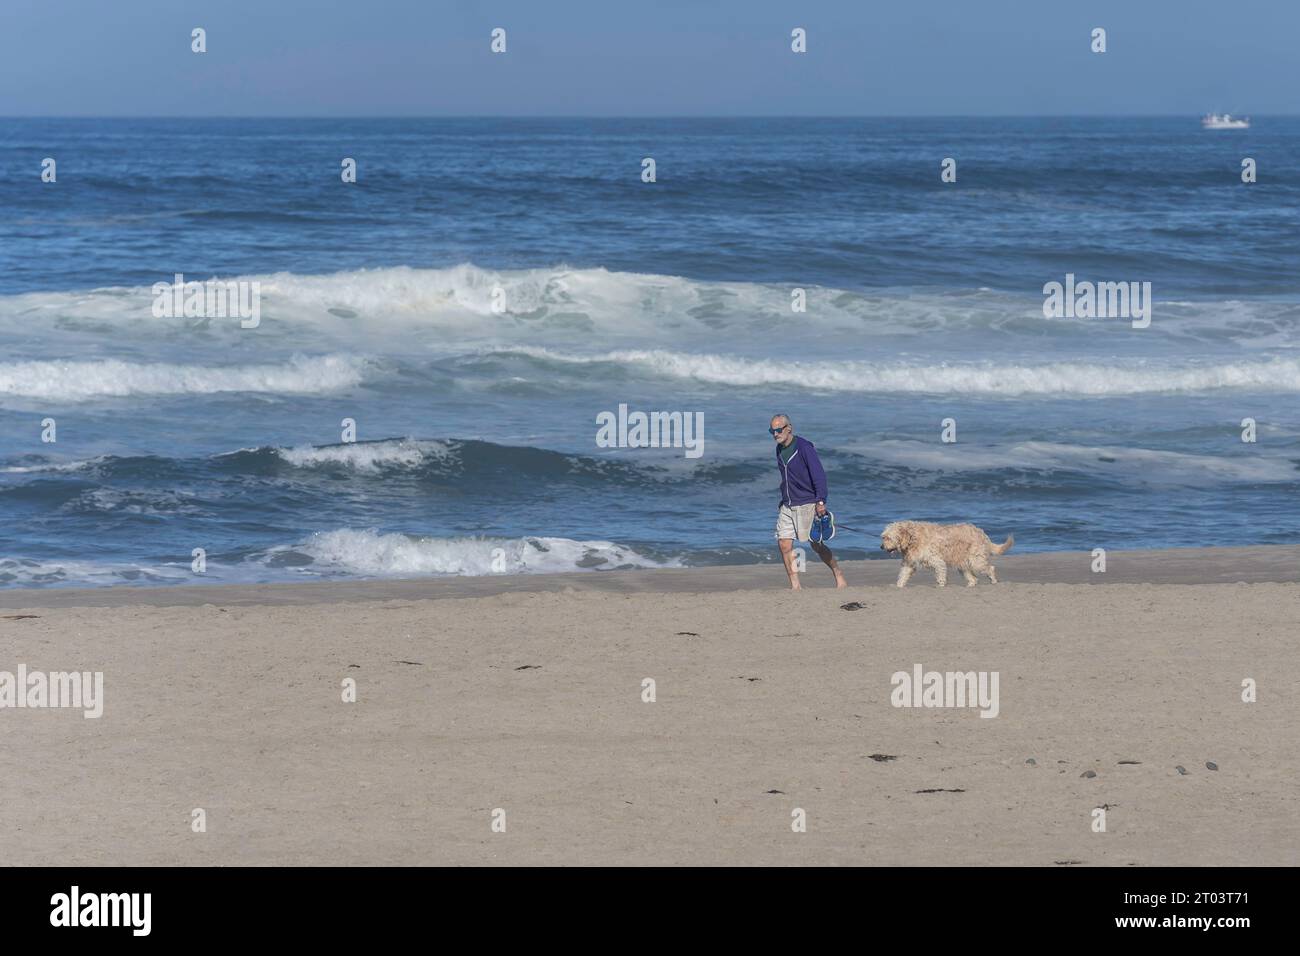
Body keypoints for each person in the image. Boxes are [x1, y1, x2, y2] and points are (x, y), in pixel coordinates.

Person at [770, 414, 846, 590]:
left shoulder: (804, 447)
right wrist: (784, 498)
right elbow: (787, 478)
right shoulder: (779, 449)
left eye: (778, 430)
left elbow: (818, 475)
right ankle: (795, 586)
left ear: (789, 428)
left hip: (807, 503)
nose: (775, 434)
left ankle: (837, 572)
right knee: (784, 543)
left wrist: (820, 501)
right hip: (788, 504)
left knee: (816, 545)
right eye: (771, 431)